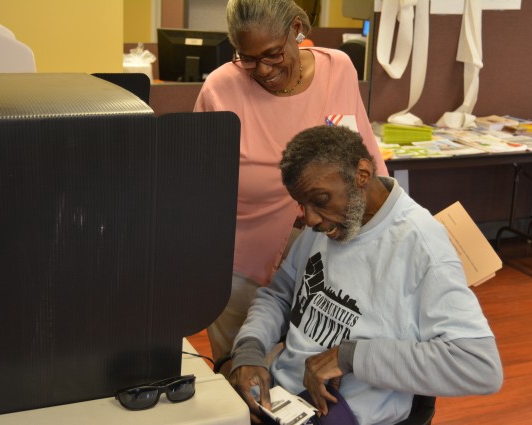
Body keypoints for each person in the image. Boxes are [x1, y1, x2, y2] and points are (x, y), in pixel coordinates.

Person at [229, 125, 503, 424]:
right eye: (302, 204)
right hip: (284, 395)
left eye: (320, 200)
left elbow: (480, 367)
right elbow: (279, 296)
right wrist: (249, 349)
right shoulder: (329, 225)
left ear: (361, 174)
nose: (310, 219)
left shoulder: (419, 244)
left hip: (347, 412)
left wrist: (350, 357)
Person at [193, 0, 388, 363]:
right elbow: (194, 184)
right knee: (243, 372)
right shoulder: (221, 88)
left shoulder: (338, 69)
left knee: (306, 377)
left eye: (272, 54)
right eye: (247, 58)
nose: (262, 69)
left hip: (325, 264)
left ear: (296, 29)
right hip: (240, 267)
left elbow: (365, 158)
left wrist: (396, 226)